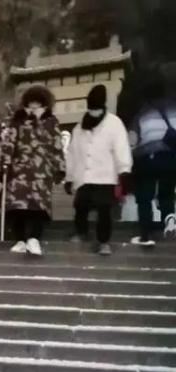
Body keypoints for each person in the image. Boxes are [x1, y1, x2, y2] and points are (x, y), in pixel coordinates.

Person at [65, 84, 133, 256]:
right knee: (80, 206)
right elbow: (73, 153)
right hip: (84, 176)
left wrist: (124, 171)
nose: (93, 111)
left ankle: (103, 242)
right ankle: (81, 232)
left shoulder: (114, 124)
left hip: (105, 177)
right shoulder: (79, 127)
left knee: (104, 210)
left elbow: (122, 148)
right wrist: (69, 176)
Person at [0, 85, 65, 256]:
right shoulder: (18, 121)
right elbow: (9, 144)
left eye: (38, 104)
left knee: (39, 207)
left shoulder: (51, 122)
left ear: (44, 104)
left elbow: (57, 147)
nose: (34, 107)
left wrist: (60, 168)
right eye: (31, 104)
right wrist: (5, 163)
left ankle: (34, 239)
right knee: (18, 208)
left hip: (42, 173)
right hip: (20, 172)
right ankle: (20, 240)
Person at [129, 76, 176, 246]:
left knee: (145, 196)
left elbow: (132, 140)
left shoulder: (142, 113)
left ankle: (145, 235)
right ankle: (169, 219)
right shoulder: (174, 109)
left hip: (148, 158)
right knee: (167, 194)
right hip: (171, 158)